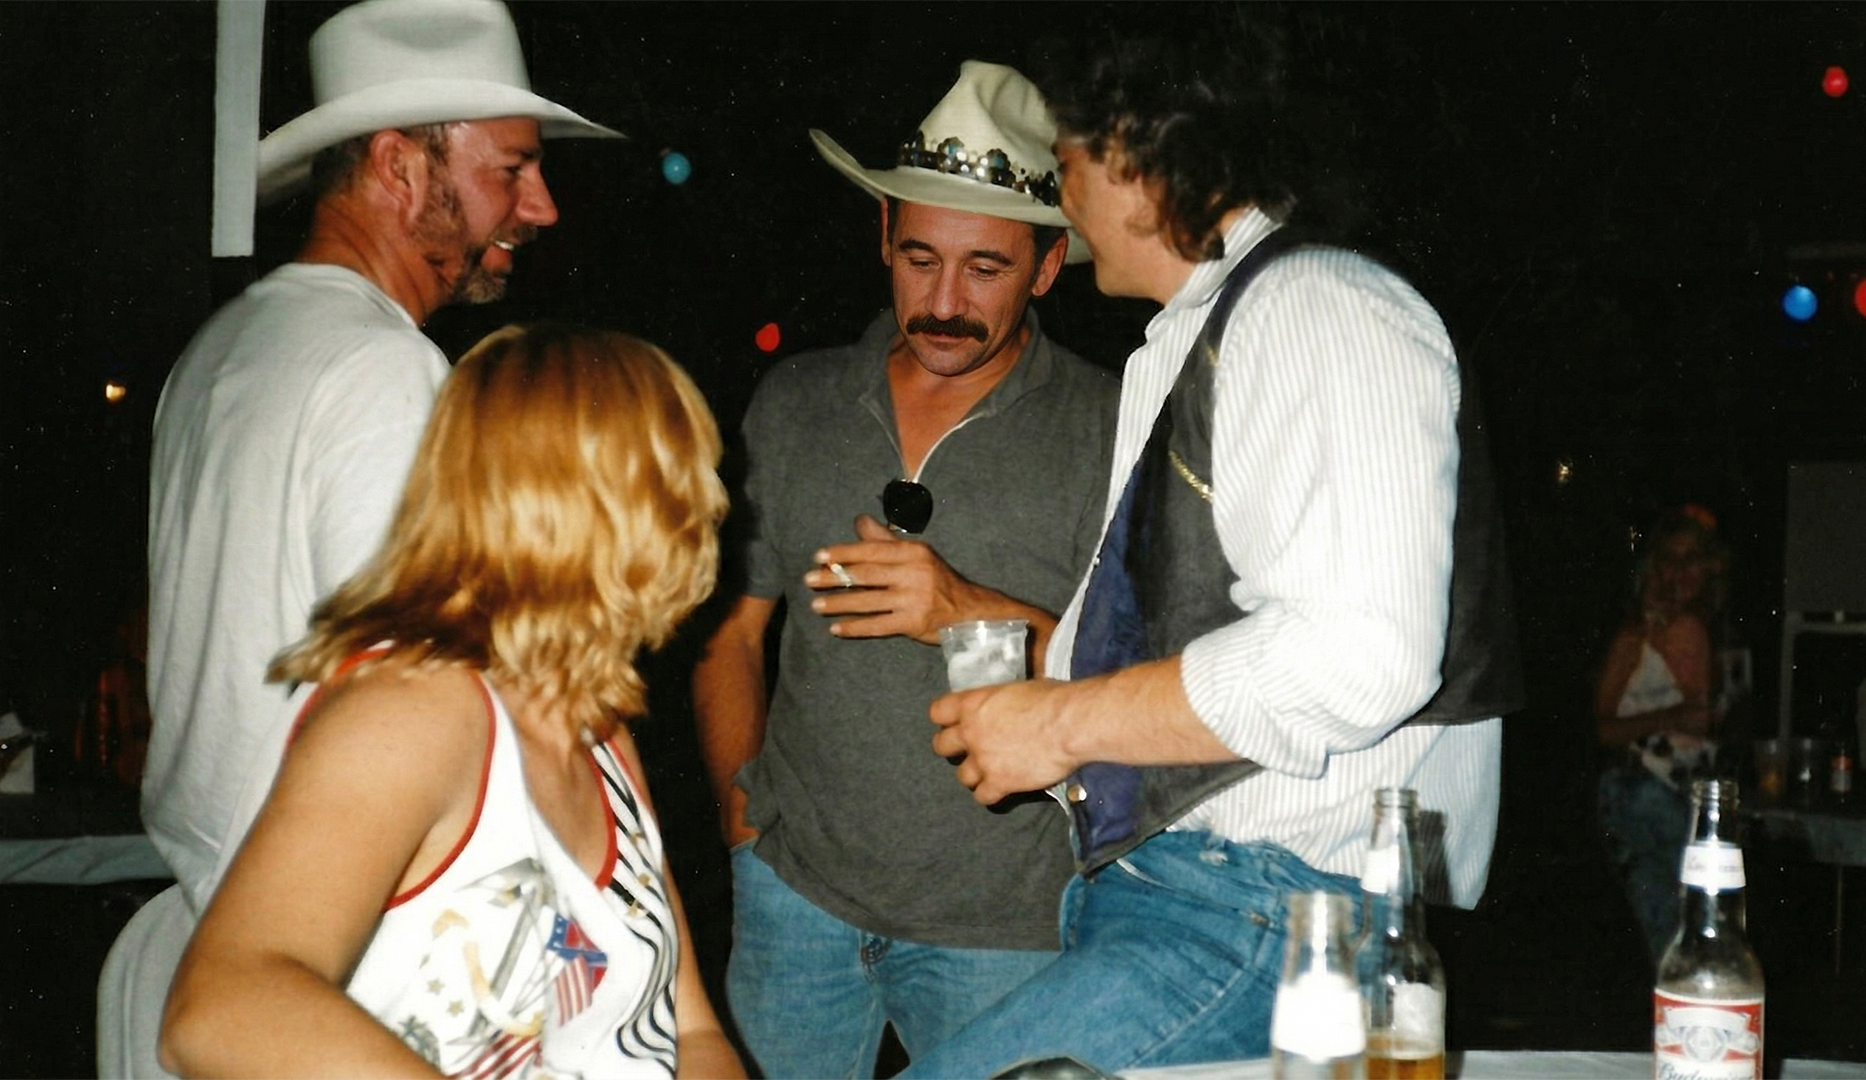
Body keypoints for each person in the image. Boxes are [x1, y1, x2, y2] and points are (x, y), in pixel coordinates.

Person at [903, 25, 1523, 1075]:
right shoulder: (1197, 336)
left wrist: (1055, 723)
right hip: (1199, 909)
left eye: (1069, 155)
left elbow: (1358, 654)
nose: (1060, 186)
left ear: (1141, 153)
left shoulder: (1318, 305)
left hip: (1270, 922)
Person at [103, 2, 619, 1075]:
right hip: (337, 969)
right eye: (512, 169)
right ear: (398, 166)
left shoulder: (227, 342)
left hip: (213, 929)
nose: (544, 206)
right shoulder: (389, 374)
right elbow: (432, 709)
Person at [159, 323, 742, 1079]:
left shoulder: (598, 723)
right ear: (596, 505)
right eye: (685, 477)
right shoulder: (413, 709)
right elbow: (220, 1008)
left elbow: (689, 1030)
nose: (713, 507)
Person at [691, 61, 1119, 1077]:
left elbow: (1155, 681)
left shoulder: (1112, 426)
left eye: (987, 269)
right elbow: (733, 633)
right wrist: (745, 835)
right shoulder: (794, 402)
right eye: (919, 257)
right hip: (795, 904)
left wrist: (965, 607)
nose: (944, 302)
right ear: (882, 236)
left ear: (1048, 269)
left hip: (1001, 928)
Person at [1595, 505, 1730, 959]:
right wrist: (1674, 719)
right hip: (1642, 790)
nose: (1680, 571)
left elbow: (1705, 720)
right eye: (1670, 559)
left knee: (1686, 939)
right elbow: (1604, 728)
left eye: (1692, 558)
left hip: (1684, 790)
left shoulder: (1705, 630)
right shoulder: (1636, 637)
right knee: (1683, 939)